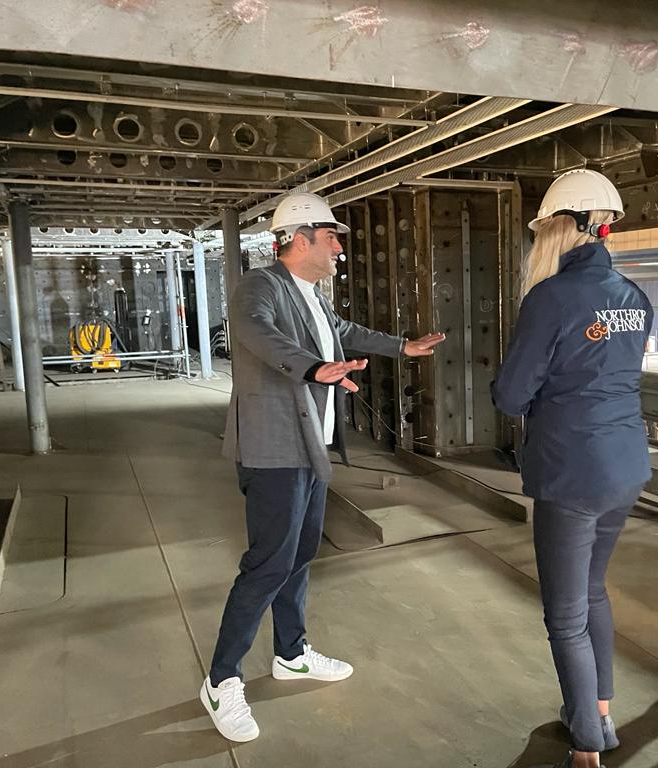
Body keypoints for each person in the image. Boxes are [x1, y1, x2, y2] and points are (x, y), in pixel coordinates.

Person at [201, 191, 446, 741]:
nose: (339, 248)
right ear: (299, 238)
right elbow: (256, 332)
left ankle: (291, 654)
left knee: (300, 555)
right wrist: (314, 368)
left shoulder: (311, 294)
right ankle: (221, 679)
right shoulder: (260, 286)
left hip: (310, 448)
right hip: (273, 450)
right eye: (332, 237)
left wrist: (403, 347)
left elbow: (345, 332)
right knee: (268, 564)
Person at [492, 169, 653, 768]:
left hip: (571, 470)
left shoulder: (550, 298)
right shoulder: (635, 297)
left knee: (565, 615)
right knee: (592, 592)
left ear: (558, 229)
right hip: (625, 465)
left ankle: (587, 746)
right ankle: (599, 712)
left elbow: (511, 395)